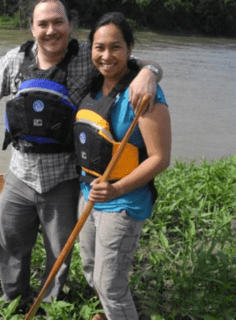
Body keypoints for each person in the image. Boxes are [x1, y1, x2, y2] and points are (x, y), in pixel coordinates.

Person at [0, 0, 163, 310]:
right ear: (33, 28)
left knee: (58, 248)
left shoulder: (86, 60)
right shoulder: (16, 60)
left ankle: (51, 303)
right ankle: (14, 300)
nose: (51, 30)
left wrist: (150, 74)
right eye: (43, 24)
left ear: (70, 25)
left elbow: (134, 65)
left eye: (57, 22)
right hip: (20, 173)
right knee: (9, 241)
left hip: (63, 176)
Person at [74, 12, 171, 320]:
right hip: (89, 192)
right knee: (91, 268)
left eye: (116, 47)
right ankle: (108, 312)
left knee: (110, 283)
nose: (106, 55)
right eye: (99, 47)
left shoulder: (142, 94)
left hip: (123, 200)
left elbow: (160, 158)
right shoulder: (91, 84)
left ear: (130, 48)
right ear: (90, 50)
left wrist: (115, 188)